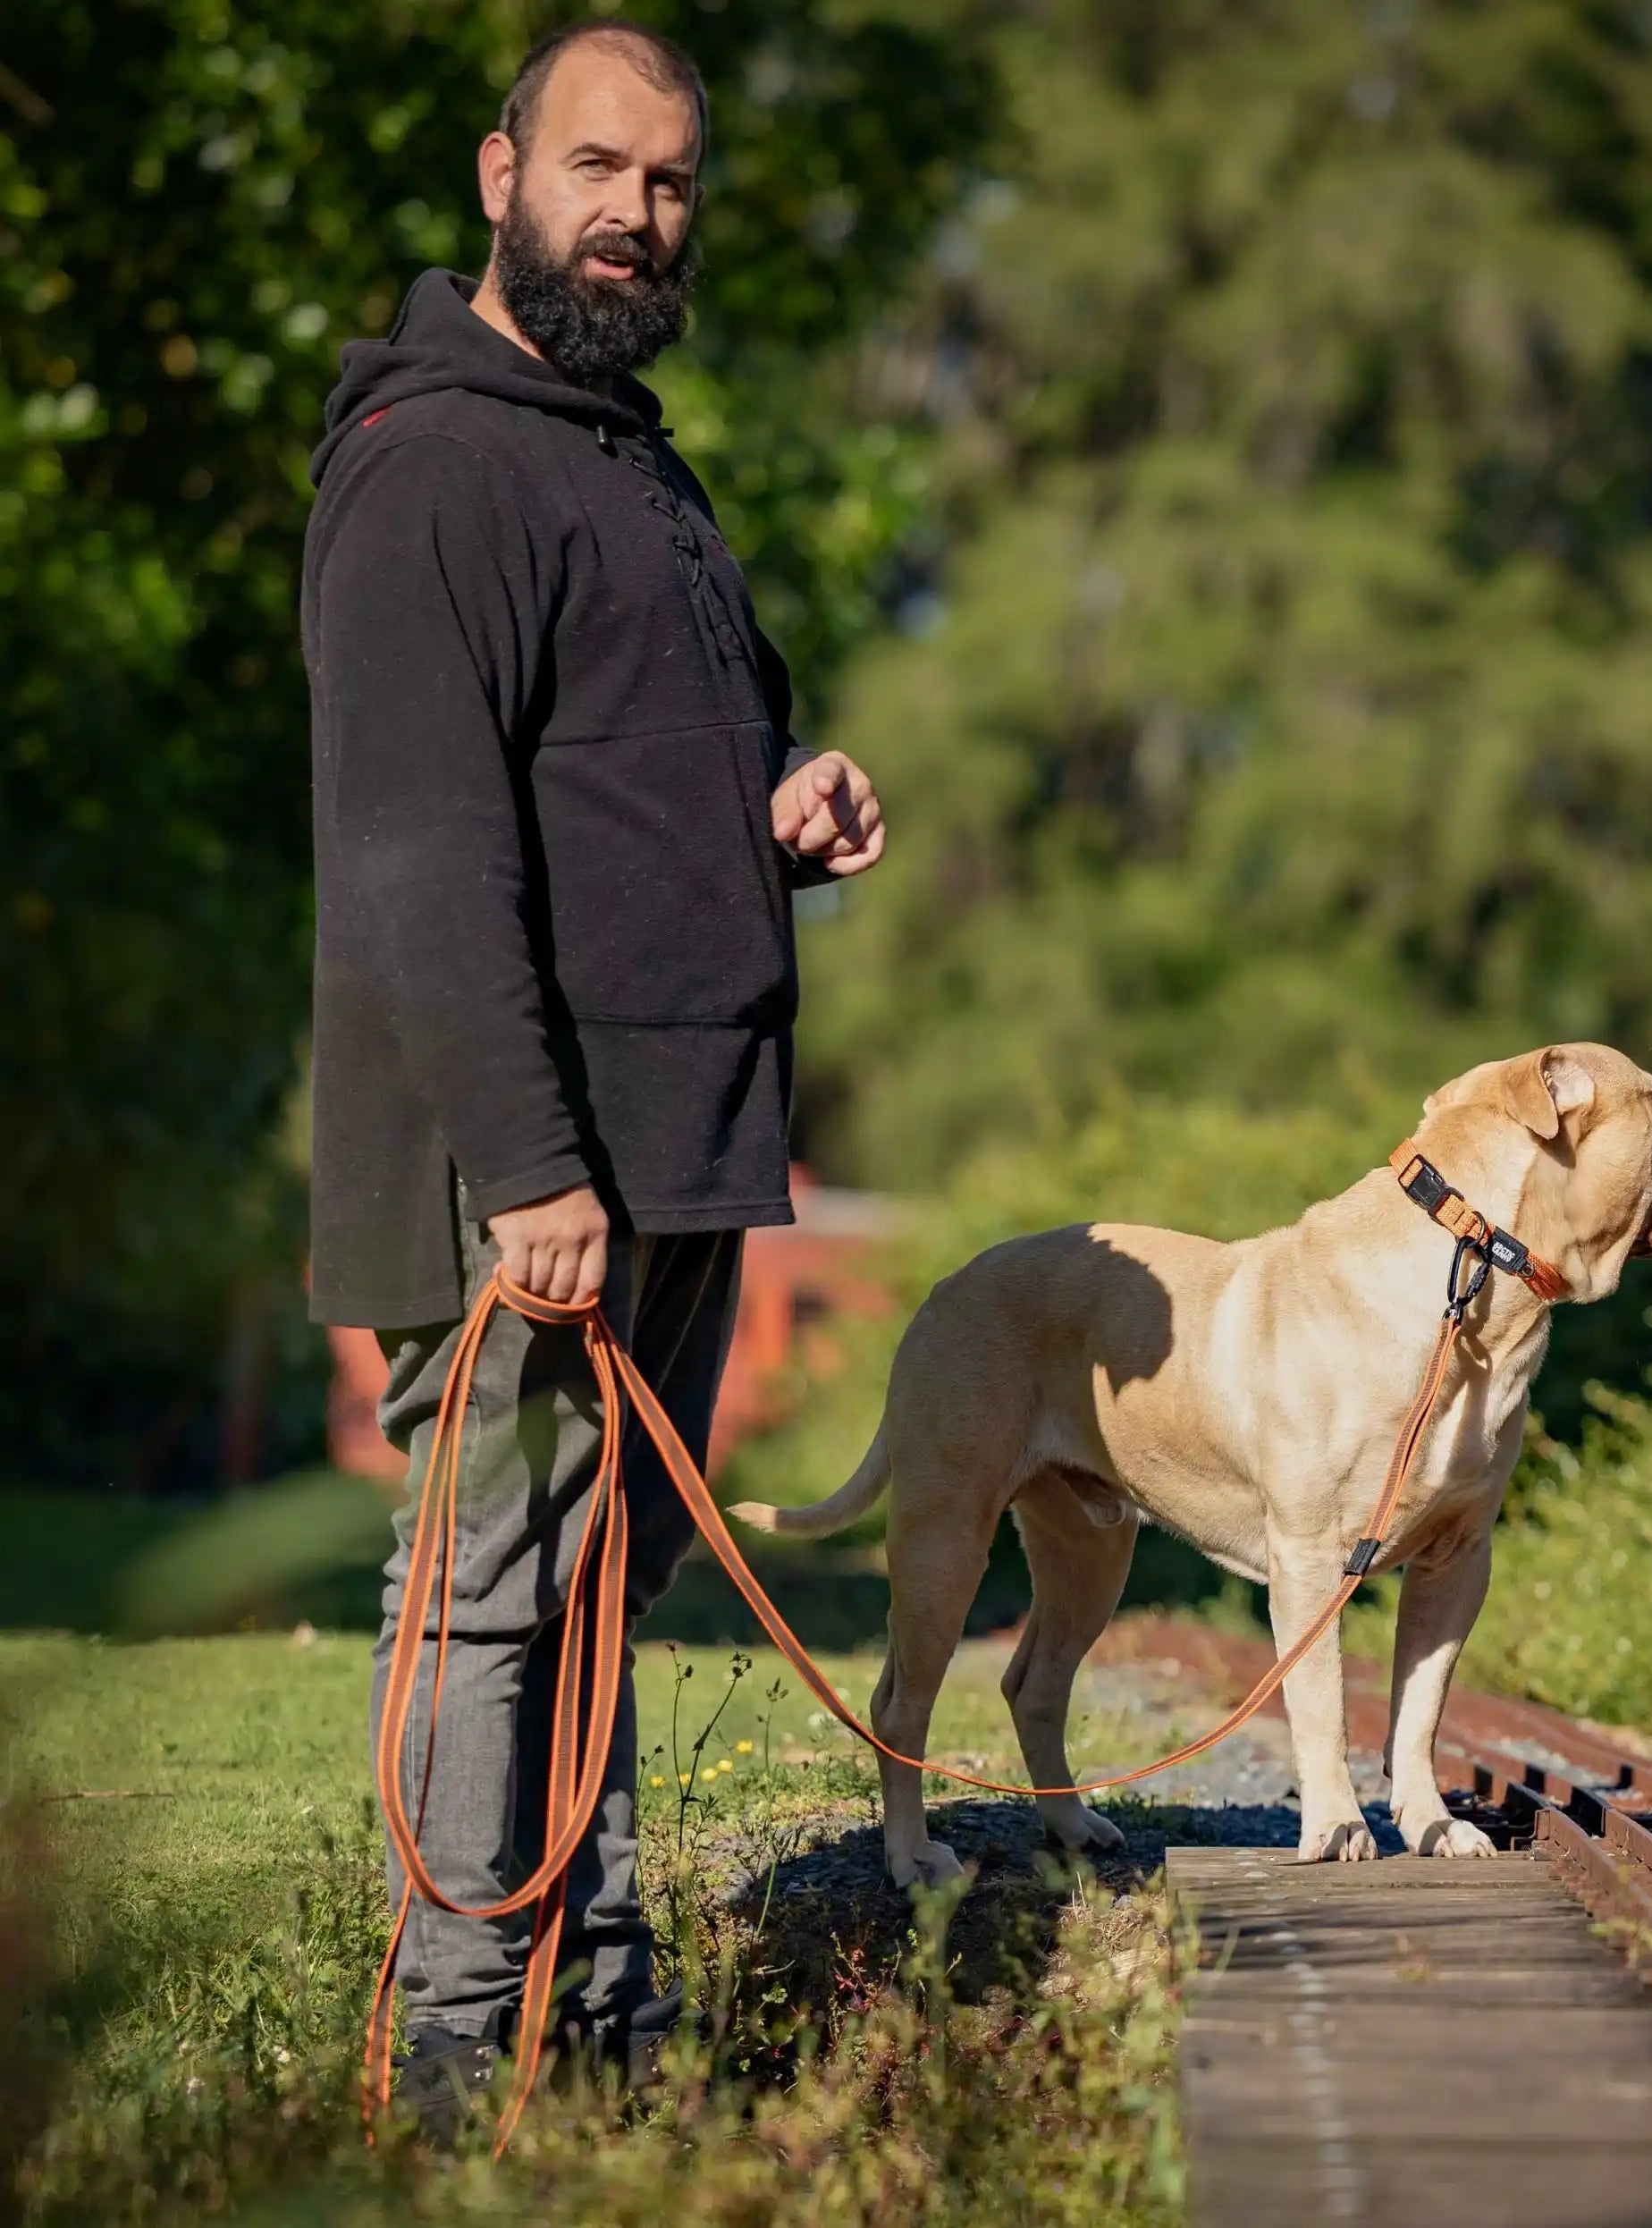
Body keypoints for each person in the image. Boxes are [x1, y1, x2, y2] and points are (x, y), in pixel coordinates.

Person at [299, 19, 884, 2122]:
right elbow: (421, 853)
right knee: (490, 1594)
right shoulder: (430, 465)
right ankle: (458, 2064)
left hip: (682, 1137)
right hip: (527, 1159)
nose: (636, 216)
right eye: (596, 169)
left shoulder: (629, 452)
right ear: (498, 174)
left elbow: (608, 803)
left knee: (606, 1583)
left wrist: (772, 802)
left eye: (670, 185)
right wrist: (532, 1160)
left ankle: (606, 2027)